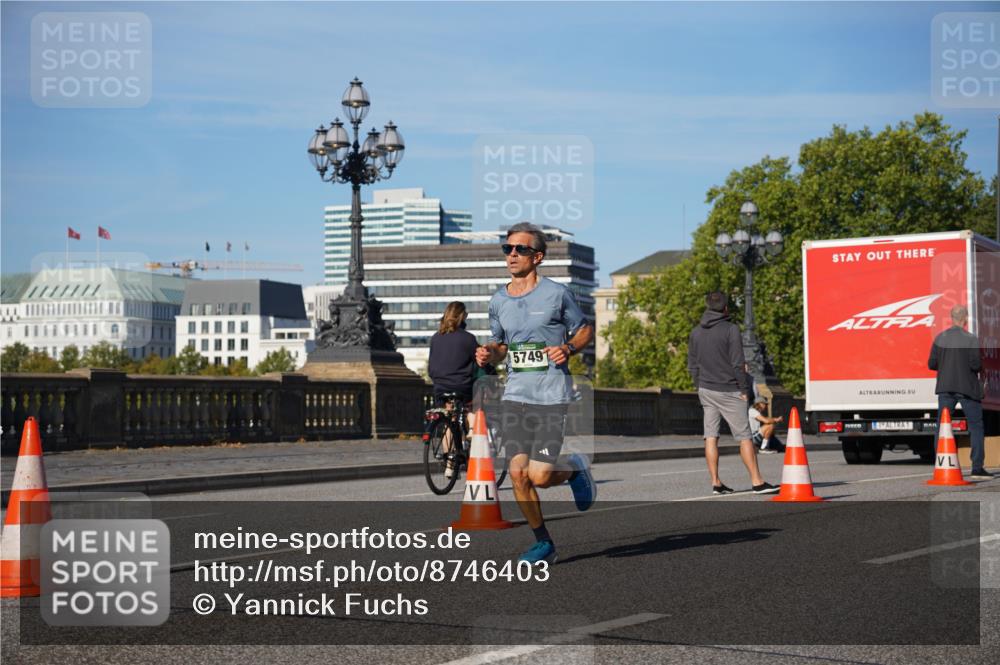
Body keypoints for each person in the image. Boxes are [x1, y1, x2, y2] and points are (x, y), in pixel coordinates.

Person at [475, 222, 596, 564]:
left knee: (539, 476)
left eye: (520, 249)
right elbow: (501, 346)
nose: (512, 254)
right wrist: (489, 353)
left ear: (538, 257)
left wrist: (568, 348)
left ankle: (574, 470)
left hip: (550, 397)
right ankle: (544, 543)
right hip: (515, 397)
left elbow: (584, 330)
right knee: (517, 474)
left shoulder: (557, 294)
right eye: (508, 248)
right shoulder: (498, 300)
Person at [687, 291, 779, 495]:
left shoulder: (696, 332)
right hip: (729, 390)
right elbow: (738, 363)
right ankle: (757, 482)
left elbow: (692, 365)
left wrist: (699, 385)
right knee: (745, 437)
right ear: (725, 308)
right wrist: (744, 390)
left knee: (710, 437)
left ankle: (716, 483)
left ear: (707, 306)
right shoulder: (731, 329)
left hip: (706, 390)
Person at [928, 304, 993, 479]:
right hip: (967, 389)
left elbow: (932, 364)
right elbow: (975, 365)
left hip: (945, 388)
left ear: (951, 318)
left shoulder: (940, 338)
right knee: (976, 426)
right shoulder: (971, 339)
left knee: (942, 426)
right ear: (965, 319)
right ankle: (977, 468)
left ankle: (940, 463)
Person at [428, 302, 478, 477]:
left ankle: (449, 465)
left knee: (450, 419)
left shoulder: (436, 337)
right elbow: (480, 360)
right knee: (475, 400)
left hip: (440, 386)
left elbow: (431, 365)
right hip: (461, 385)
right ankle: (472, 429)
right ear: (462, 316)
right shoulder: (468, 338)